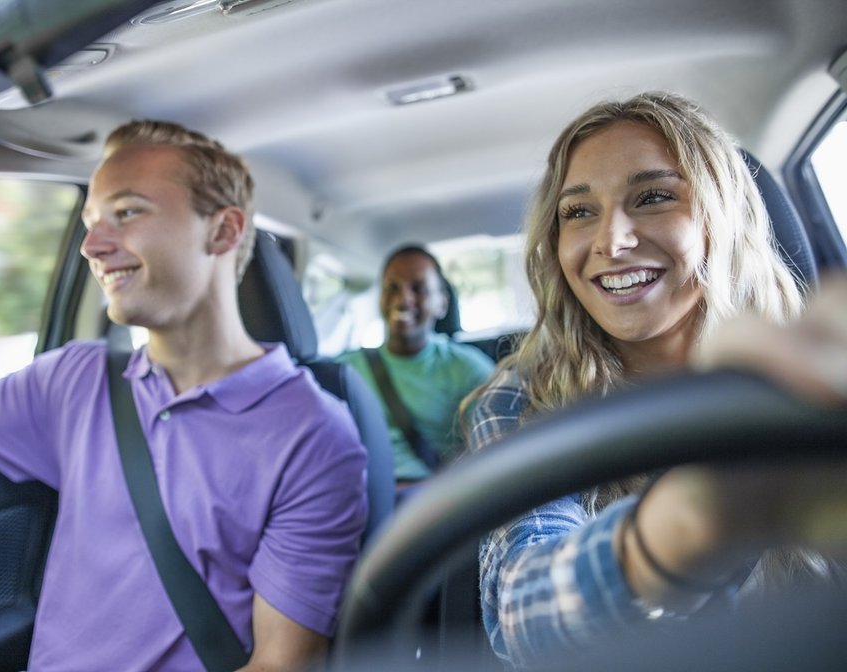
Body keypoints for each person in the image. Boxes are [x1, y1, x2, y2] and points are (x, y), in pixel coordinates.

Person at [0, 120, 368, 672]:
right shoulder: (74, 379)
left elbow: (280, 666)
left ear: (223, 231)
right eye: (91, 222)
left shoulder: (314, 434)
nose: (93, 246)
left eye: (128, 212)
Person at [466, 91, 847, 668]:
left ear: (723, 219)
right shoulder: (519, 399)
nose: (612, 241)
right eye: (579, 211)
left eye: (653, 197)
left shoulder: (815, 369)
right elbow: (525, 615)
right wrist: (688, 523)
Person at [338, 245, 494, 490]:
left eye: (418, 289)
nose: (403, 299)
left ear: (442, 304)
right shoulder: (344, 369)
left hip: (433, 504)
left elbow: (498, 447)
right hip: (359, 499)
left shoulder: (467, 369)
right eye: (392, 288)